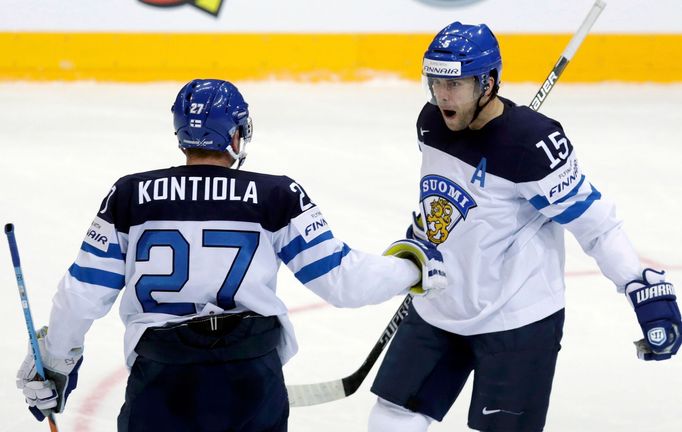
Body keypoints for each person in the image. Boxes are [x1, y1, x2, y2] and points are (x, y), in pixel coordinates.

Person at [14, 79, 447, 432]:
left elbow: (82, 293)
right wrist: (412, 265)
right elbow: (344, 281)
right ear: (236, 134)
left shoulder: (129, 194)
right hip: (249, 376)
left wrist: (56, 360)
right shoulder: (276, 194)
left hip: (162, 376)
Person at [367, 22, 681, 432]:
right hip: (441, 306)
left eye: (456, 83)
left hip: (517, 320)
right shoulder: (431, 122)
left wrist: (640, 287)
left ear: (488, 83)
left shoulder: (532, 145)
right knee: (390, 420)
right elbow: (448, 198)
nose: (442, 95)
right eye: (436, 82)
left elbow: (596, 225)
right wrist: (426, 234)